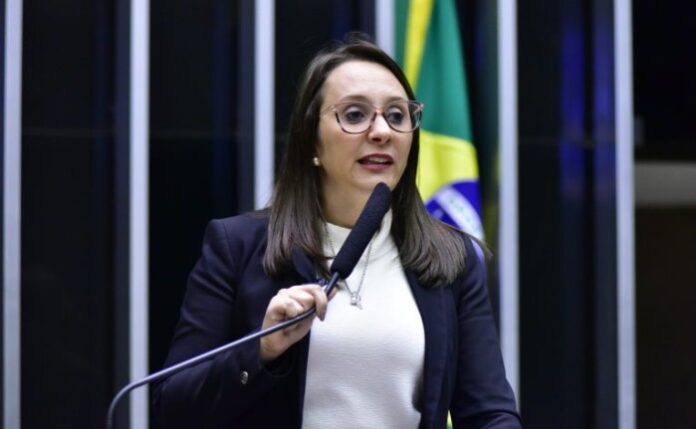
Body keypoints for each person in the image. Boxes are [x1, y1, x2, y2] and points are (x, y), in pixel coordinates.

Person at [153, 34, 522, 429]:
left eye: (397, 116)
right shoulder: (239, 247)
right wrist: (261, 351)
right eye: (355, 114)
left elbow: (489, 414)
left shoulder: (453, 259)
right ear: (312, 140)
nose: (381, 131)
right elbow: (172, 409)